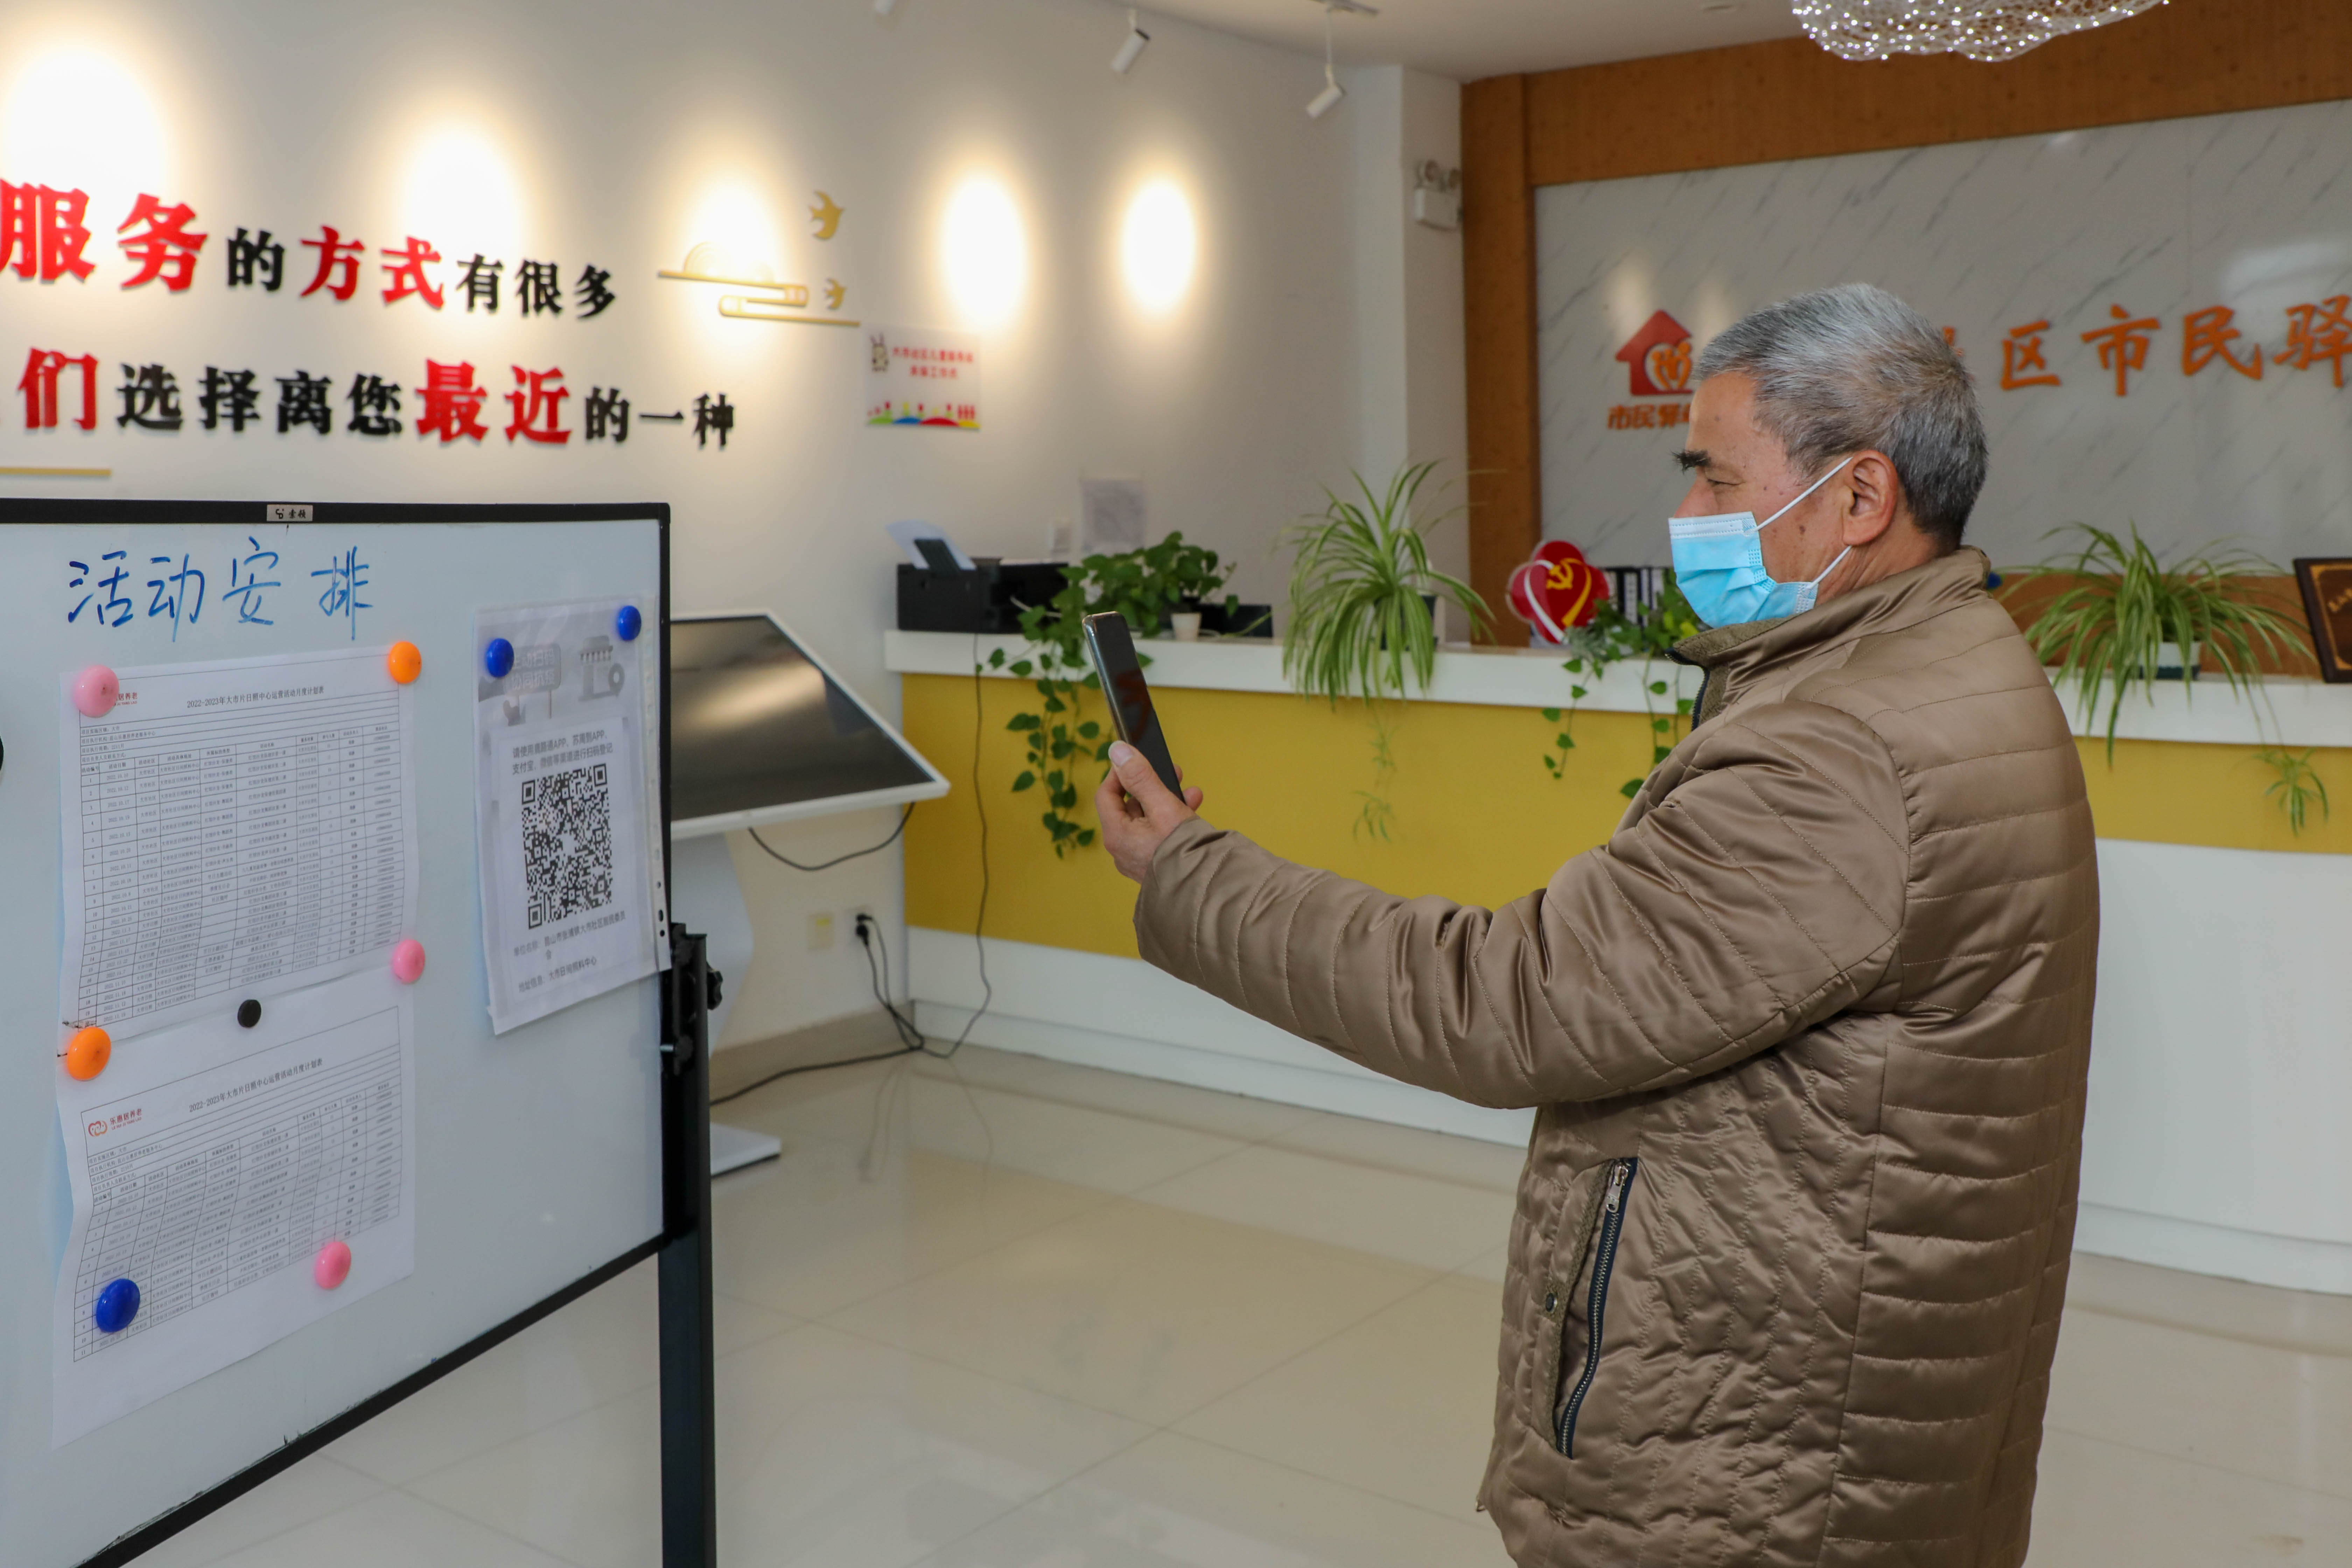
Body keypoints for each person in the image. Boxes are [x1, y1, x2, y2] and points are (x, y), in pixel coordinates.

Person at [1093, 283, 2097, 1568]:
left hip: (1762, 1450)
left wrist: (1188, 874)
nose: (1689, 515)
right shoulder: (1958, 662)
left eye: (1715, 476)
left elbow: (1500, 1004)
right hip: (1851, 1387)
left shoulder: (1841, 752)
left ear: (1860, 497)